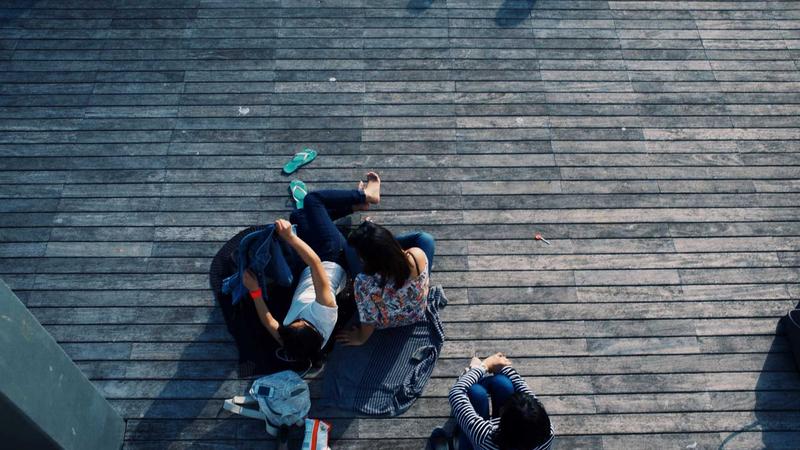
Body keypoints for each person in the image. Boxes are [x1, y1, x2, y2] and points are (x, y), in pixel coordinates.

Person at [242, 173, 382, 362]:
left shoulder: (291, 340)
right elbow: (315, 262)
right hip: (332, 256)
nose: (295, 321)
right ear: (313, 330)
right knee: (312, 200)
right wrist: (290, 238)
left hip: (306, 268)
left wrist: (255, 291)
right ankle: (367, 195)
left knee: (298, 216)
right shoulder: (324, 311)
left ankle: (356, 206)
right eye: (300, 322)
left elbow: (269, 322)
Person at [334, 221, 435, 346]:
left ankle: (371, 242)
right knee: (426, 239)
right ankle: (377, 241)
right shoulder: (416, 255)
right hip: (416, 313)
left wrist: (360, 338)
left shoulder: (364, 282)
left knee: (349, 247)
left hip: (387, 321)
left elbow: (369, 319)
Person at [448, 352, 555, 450]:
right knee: (503, 384)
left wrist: (480, 367)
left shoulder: (485, 437)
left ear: (502, 421)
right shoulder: (546, 433)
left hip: (478, 445)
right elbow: (526, 391)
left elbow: (456, 393)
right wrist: (503, 367)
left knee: (476, 393)